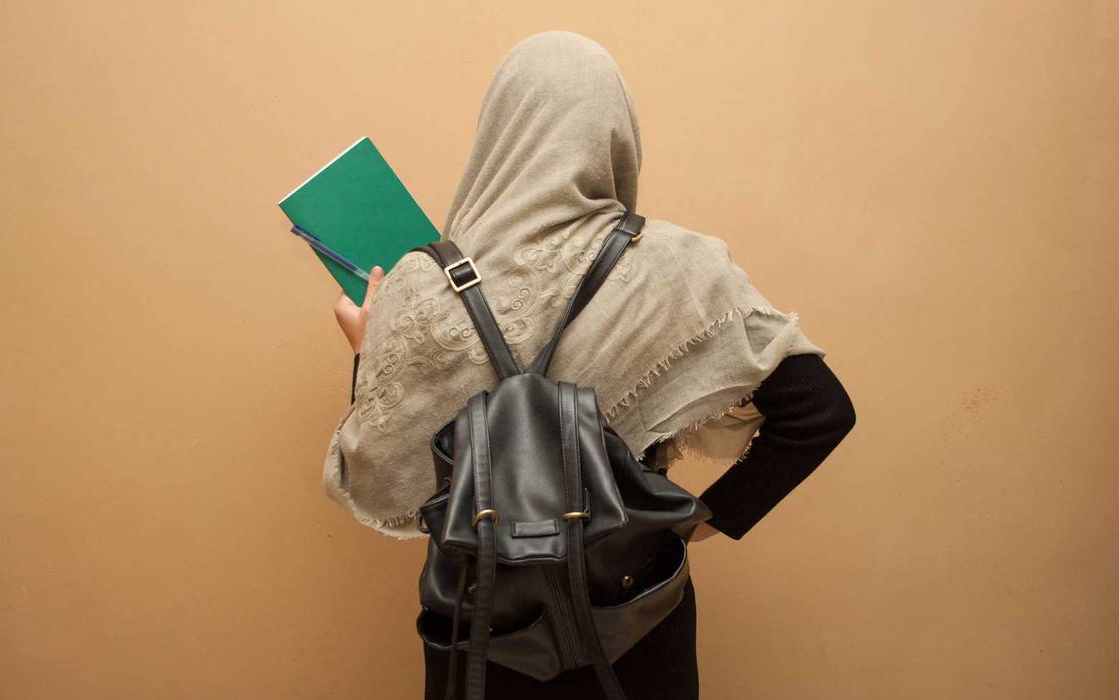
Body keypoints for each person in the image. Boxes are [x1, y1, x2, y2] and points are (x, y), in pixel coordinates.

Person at [322, 30, 856, 699]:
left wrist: (370, 353)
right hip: (637, 621)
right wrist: (701, 521)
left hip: (482, 634)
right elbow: (819, 411)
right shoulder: (678, 268)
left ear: (498, 132)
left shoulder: (417, 288)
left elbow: (377, 489)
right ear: (615, 135)